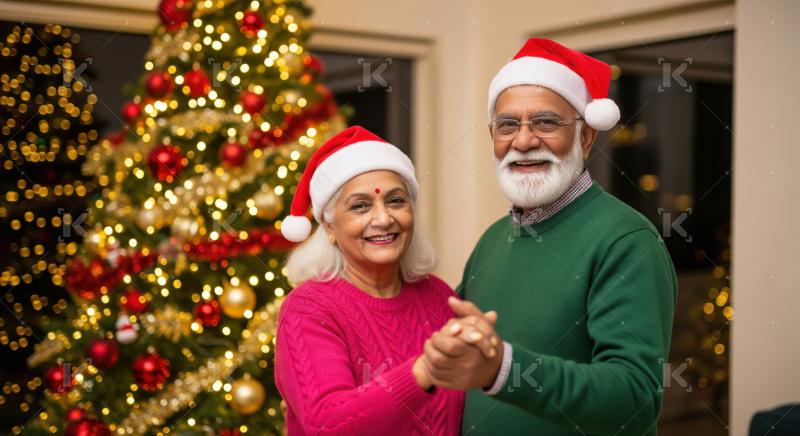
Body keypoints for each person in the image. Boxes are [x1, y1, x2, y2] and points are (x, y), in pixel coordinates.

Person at [419, 38, 678, 435]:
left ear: (587, 137)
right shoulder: (492, 239)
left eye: (545, 122)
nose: (523, 141)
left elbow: (635, 399)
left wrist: (504, 368)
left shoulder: (626, 241)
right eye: (507, 125)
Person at [275, 126, 494, 435]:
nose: (383, 219)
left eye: (395, 201)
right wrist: (424, 370)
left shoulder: (437, 296)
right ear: (329, 225)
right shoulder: (308, 310)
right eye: (360, 206)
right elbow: (327, 425)